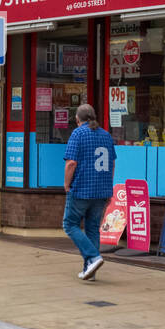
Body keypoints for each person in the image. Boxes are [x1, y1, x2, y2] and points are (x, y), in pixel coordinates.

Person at [62, 102, 117, 281]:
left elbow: (71, 163)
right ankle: (90, 269)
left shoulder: (78, 134)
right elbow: (112, 163)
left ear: (77, 119)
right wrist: (109, 187)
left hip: (81, 189)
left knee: (70, 225)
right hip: (101, 190)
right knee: (93, 228)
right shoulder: (106, 135)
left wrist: (66, 184)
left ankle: (93, 258)